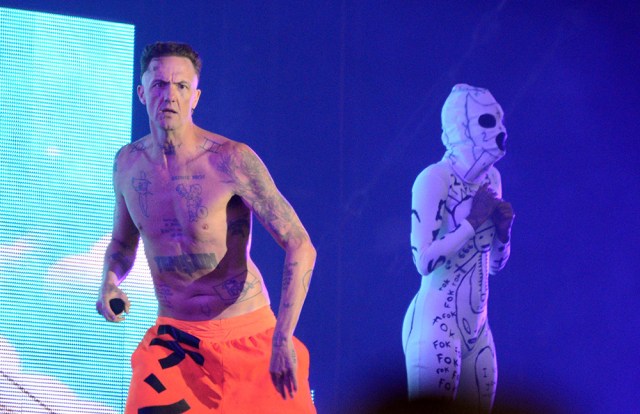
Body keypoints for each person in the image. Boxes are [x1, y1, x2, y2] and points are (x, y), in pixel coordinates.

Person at [95, 41, 317, 413]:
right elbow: (122, 244)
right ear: (142, 93)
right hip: (175, 345)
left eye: (181, 86)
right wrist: (109, 281)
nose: (169, 95)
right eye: (159, 84)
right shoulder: (128, 165)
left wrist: (283, 337)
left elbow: (300, 243)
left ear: (195, 97)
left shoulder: (230, 160)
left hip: (250, 339)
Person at [402, 84, 515, 413]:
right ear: (461, 128)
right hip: (436, 324)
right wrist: (472, 222)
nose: (501, 131)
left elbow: (494, 266)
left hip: (478, 329)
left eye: (500, 120)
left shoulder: (492, 179)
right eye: (487, 121)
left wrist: (504, 233)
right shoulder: (434, 179)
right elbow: (423, 260)